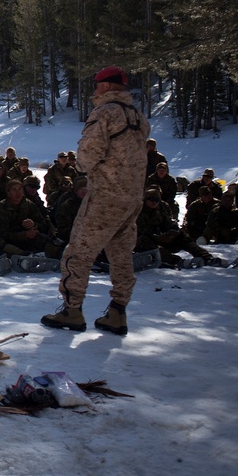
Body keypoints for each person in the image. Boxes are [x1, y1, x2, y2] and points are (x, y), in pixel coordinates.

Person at [42, 66, 151, 336]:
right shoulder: (137, 116)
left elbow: (87, 156)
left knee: (79, 251)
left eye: (96, 85)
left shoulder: (104, 113)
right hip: (132, 197)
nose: (93, 90)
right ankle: (118, 311)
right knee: (121, 255)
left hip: (106, 196)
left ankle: (72, 310)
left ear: (106, 86)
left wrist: (82, 165)